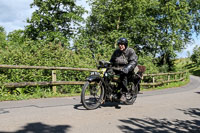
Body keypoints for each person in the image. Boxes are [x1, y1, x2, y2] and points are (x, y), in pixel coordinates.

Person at [110, 37, 138, 102]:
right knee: (107, 74)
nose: (120, 46)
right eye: (119, 44)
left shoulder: (130, 51)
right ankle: (107, 92)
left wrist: (127, 68)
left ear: (125, 44)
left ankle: (124, 93)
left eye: (122, 44)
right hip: (117, 68)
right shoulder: (116, 52)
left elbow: (133, 61)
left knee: (123, 75)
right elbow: (112, 61)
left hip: (128, 69)